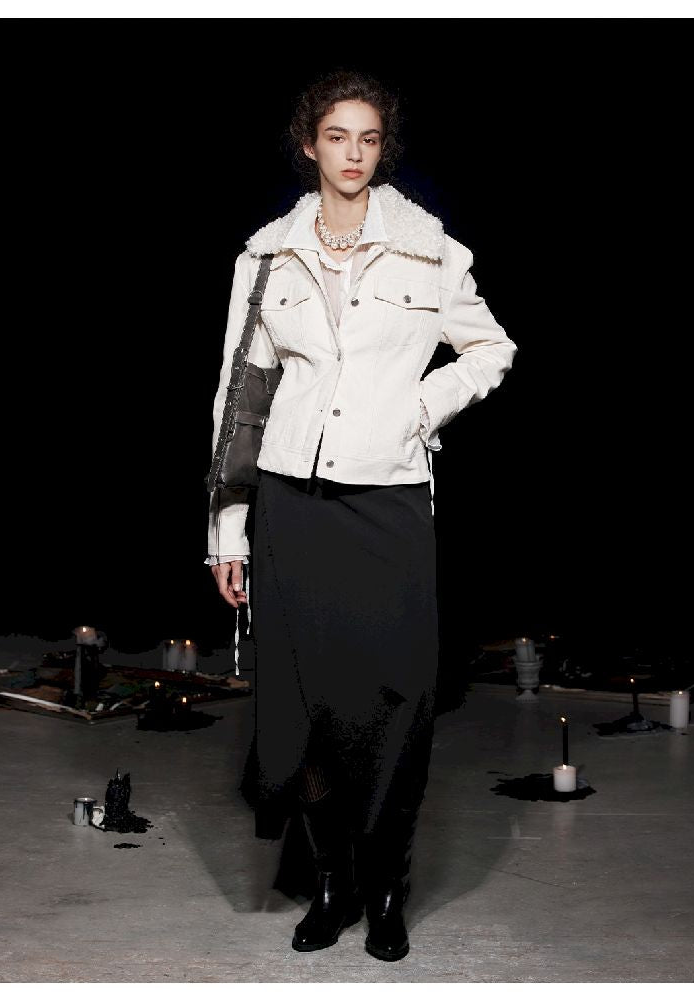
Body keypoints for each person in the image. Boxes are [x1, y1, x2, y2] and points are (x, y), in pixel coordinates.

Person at [205, 70, 517, 962]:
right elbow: (239, 402)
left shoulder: (429, 250)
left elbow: (491, 347)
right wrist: (227, 533)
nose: (353, 153)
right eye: (337, 136)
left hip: (387, 506)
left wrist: (422, 406)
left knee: (392, 706)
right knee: (298, 710)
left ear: (383, 150)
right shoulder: (267, 258)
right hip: (291, 507)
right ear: (309, 144)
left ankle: (385, 885)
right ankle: (332, 881)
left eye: (369, 138)